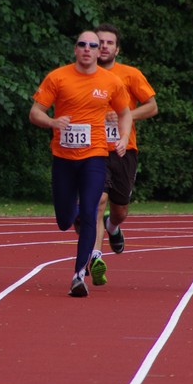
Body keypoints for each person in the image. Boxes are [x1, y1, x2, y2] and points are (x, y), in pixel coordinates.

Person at [30, 30, 132, 297]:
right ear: (75, 49)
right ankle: (74, 217)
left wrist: (123, 138)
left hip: (95, 156)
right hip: (63, 158)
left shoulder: (111, 81)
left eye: (93, 45)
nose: (87, 49)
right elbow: (35, 112)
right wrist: (53, 122)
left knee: (91, 211)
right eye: (82, 44)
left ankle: (78, 275)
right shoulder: (58, 77)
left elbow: (125, 113)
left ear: (99, 52)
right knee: (64, 220)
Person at [89, 23, 158, 285]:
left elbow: (152, 106)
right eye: (99, 42)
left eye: (109, 43)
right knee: (98, 201)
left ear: (117, 49)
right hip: (93, 150)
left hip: (123, 150)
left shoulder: (130, 74)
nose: (104, 46)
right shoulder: (82, 74)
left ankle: (113, 226)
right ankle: (96, 256)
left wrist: (124, 115)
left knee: (120, 211)